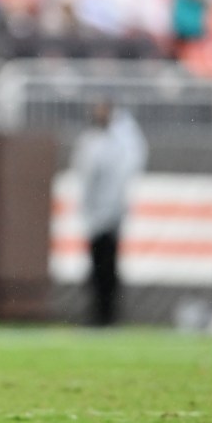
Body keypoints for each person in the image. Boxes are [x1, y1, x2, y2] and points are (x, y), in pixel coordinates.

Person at [70, 100, 147, 327]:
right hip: (95, 215)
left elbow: (132, 158)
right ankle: (97, 313)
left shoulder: (119, 141)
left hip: (111, 214)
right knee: (96, 267)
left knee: (109, 266)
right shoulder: (91, 140)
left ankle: (109, 314)